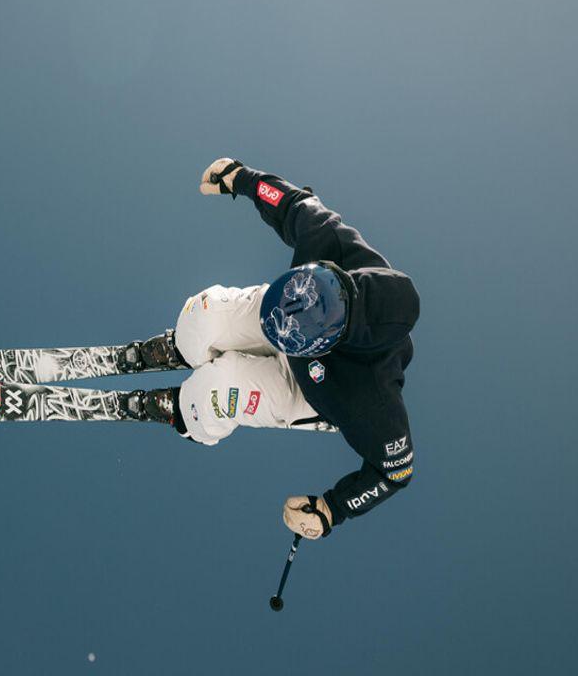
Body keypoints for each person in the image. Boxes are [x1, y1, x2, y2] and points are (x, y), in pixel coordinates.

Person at [165, 158, 420, 539]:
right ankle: (191, 344)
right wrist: (241, 178)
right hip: (283, 309)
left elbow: (397, 470)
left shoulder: (372, 401)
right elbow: (291, 203)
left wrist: (331, 510)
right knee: (200, 319)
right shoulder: (329, 240)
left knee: (212, 394)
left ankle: (193, 415)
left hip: (313, 387)